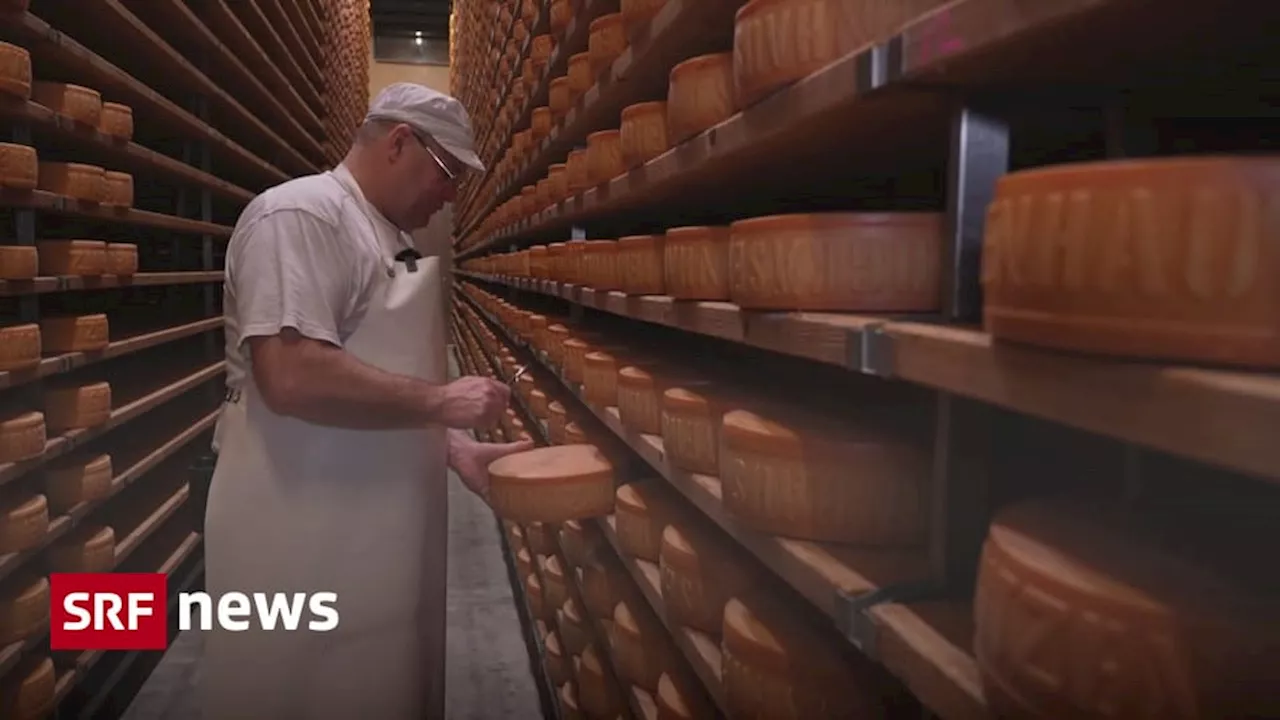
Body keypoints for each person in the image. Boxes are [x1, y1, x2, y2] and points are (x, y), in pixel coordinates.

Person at [200, 83, 532, 719]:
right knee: (290, 693)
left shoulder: (380, 235)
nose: (450, 195)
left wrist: (448, 445)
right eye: (447, 173)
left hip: (368, 531)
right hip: (293, 525)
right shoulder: (301, 217)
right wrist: (440, 401)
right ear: (399, 143)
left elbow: (370, 373)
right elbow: (291, 374)